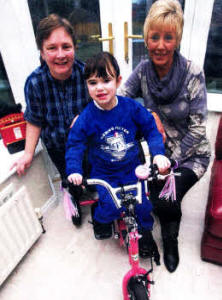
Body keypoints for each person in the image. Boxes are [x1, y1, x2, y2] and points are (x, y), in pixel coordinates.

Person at [120, 0, 211, 272]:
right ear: (146, 38)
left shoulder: (193, 72)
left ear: (177, 39)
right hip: (157, 151)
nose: (160, 45)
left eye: (168, 37)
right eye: (155, 36)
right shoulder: (142, 71)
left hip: (191, 154)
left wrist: (169, 163)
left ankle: (170, 239)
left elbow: (197, 129)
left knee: (167, 198)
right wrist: (149, 113)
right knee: (141, 190)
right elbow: (121, 101)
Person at [65, 51, 171, 260]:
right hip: (104, 173)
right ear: (86, 85)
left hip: (132, 168)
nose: (100, 88)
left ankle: (145, 233)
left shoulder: (131, 108)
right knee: (110, 208)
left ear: (118, 80)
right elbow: (75, 144)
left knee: (142, 206)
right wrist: (74, 170)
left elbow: (150, 128)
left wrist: (158, 154)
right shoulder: (86, 117)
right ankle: (100, 214)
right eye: (93, 82)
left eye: (106, 80)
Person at [11, 14, 89, 211]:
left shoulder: (87, 74)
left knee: (91, 173)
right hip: (57, 147)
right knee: (70, 179)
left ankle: (97, 201)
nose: (60, 54)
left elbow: (102, 106)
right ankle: (75, 201)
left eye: (66, 46)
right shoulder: (35, 83)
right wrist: (28, 153)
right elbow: (34, 120)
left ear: (75, 48)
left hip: (88, 143)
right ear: (42, 52)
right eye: (52, 48)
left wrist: (86, 117)